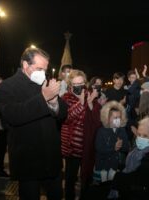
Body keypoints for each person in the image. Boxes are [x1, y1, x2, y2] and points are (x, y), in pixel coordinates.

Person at [0, 47, 68, 200]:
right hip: (28, 158)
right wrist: (43, 98)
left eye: (45, 69)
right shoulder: (7, 86)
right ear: (25, 65)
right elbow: (13, 115)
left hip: (51, 156)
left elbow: (62, 113)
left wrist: (55, 103)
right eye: (39, 68)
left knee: (55, 195)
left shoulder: (44, 82)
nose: (43, 73)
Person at [110, 117, 149, 200]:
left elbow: (141, 177)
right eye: (139, 134)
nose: (140, 138)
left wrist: (118, 176)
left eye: (145, 136)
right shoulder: (141, 150)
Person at [61, 69, 101, 200]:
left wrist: (89, 103)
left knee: (86, 177)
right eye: (75, 84)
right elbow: (66, 118)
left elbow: (97, 121)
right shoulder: (65, 98)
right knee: (70, 179)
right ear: (70, 85)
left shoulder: (91, 96)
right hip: (71, 145)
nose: (79, 86)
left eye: (81, 83)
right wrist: (81, 102)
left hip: (87, 144)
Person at [94, 101, 129, 183]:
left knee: (112, 188)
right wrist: (114, 147)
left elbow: (126, 148)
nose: (118, 120)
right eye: (115, 117)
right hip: (102, 166)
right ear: (107, 118)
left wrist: (121, 145)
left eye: (119, 117)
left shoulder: (122, 130)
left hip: (114, 166)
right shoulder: (101, 131)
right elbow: (99, 148)